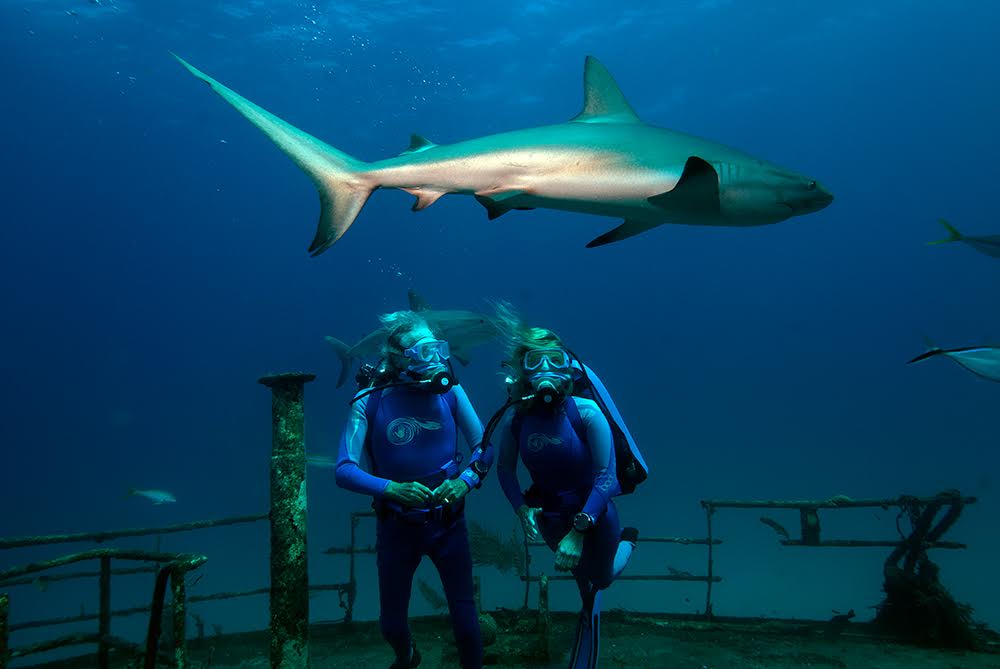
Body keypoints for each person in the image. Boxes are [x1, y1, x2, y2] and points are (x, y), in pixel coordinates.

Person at [487, 305, 644, 669]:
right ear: (522, 372)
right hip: (550, 515)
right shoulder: (515, 419)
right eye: (534, 362)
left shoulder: (586, 412)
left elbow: (607, 478)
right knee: (581, 580)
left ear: (567, 367)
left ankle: (628, 541)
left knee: (601, 578)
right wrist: (521, 508)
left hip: (594, 512)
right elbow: (506, 470)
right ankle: (587, 606)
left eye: (553, 361)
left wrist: (579, 530)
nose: (545, 371)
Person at [334, 310, 493, 669]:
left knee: (467, 625)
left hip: (449, 524)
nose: (436, 359)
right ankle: (407, 656)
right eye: (423, 352)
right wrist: (391, 489)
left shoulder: (452, 391)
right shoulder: (369, 400)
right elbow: (344, 470)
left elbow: (484, 448)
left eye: (439, 348)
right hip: (396, 528)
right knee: (391, 624)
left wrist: (464, 482)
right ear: (397, 359)